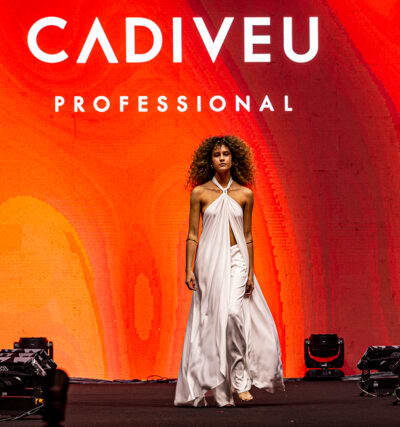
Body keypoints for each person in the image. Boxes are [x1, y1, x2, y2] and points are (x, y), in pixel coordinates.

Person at [174, 135, 285, 407]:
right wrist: (188, 268)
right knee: (213, 321)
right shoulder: (200, 193)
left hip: (237, 259)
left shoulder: (245, 194)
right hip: (209, 261)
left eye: (226, 154)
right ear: (210, 161)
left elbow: (248, 236)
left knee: (234, 313)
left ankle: (240, 379)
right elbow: (192, 234)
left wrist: (250, 272)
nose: (222, 158)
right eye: (217, 154)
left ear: (234, 159)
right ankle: (219, 389)